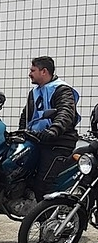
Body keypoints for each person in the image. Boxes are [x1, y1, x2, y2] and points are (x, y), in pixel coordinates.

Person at [18, 56, 80, 201]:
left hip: (58, 142)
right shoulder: (34, 92)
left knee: (43, 184)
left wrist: (54, 130)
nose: (30, 74)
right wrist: (21, 132)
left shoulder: (61, 89)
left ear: (44, 71)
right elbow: (26, 115)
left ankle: (46, 219)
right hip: (37, 140)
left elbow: (65, 112)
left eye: (33, 70)